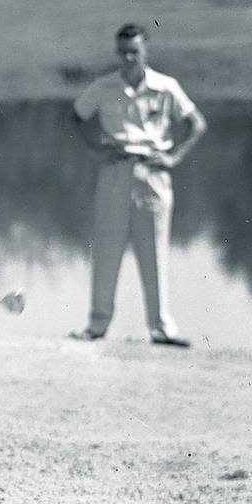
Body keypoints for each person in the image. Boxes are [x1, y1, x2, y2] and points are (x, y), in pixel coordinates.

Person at [70, 23, 207, 347]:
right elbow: (76, 117)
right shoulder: (104, 86)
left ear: (146, 51)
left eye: (134, 51)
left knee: (155, 252)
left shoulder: (165, 86)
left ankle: (161, 327)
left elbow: (196, 124)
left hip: (152, 173)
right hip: (115, 172)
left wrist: (174, 157)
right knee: (106, 250)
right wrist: (96, 149)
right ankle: (97, 325)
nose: (128, 58)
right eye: (123, 52)